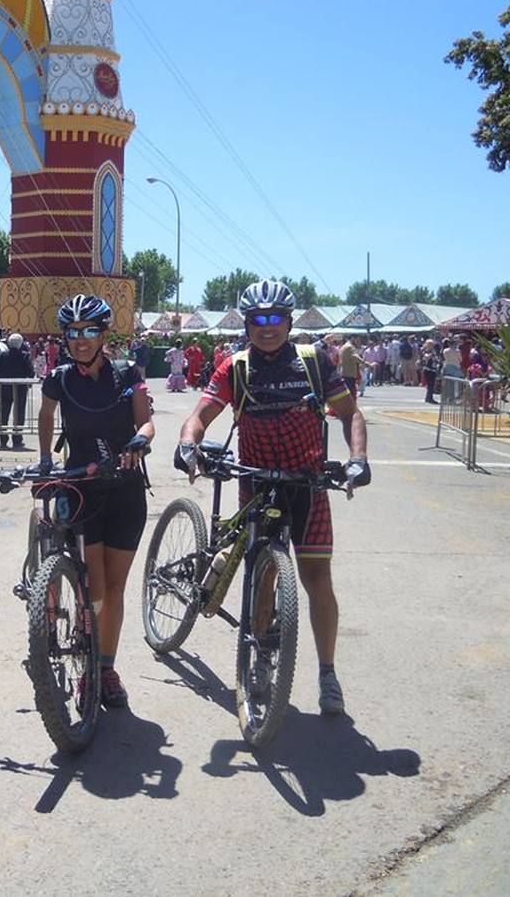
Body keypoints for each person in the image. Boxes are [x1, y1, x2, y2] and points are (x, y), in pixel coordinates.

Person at [176, 280, 369, 716]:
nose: (267, 327)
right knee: (261, 580)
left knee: (318, 580)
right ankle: (261, 660)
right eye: (258, 319)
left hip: (308, 485)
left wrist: (357, 458)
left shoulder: (315, 361)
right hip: (257, 483)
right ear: (247, 322)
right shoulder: (235, 367)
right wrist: (188, 444)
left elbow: (349, 412)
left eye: (275, 318)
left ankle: (327, 673)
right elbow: (200, 416)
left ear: (288, 320)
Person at [35, 294, 154, 707]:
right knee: (97, 586)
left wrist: (142, 438)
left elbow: (147, 420)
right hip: (82, 486)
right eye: (73, 332)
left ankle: (104, 669)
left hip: (125, 490)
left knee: (116, 589)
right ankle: (87, 653)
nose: (80, 340)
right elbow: (47, 415)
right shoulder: (60, 377)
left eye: (89, 332)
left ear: (103, 334)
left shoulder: (127, 373)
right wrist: (47, 458)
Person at [0, 331, 32, 451]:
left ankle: (3, 440)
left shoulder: (2, 355)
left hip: (4, 387)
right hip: (20, 388)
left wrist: (1, 379)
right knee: (19, 414)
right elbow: (31, 372)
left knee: (3, 414)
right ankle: (17, 439)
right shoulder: (25, 356)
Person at [338, 334, 364, 400]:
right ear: (353, 338)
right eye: (357, 339)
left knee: (348, 395)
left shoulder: (343, 347)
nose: (359, 341)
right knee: (351, 396)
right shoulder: (350, 347)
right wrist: (367, 363)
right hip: (349, 375)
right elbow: (355, 356)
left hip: (344, 373)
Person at [420, 339, 441, 404]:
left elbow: (437, 359)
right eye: (430, 344)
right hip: (428, 369)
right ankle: (429, 398)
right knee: (430, 385)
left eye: (432, 344)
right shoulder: (426, 351)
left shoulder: (434, 351)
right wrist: (431, 355)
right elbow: (426, 357)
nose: (432, 345)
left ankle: (429, 397)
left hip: (433, 369)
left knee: (431, 385)